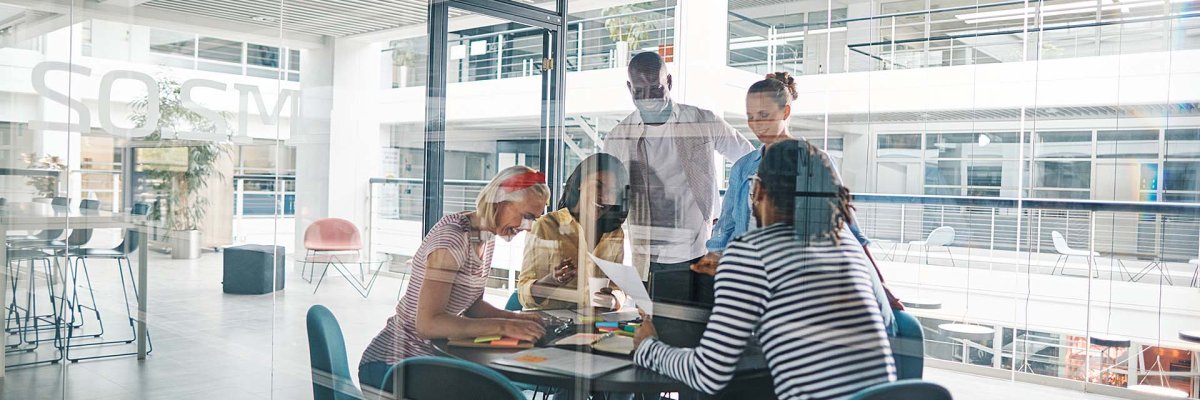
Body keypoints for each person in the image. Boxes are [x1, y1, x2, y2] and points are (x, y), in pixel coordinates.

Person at [633, 139, 896, 400]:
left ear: (758, 190)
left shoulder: (752, 251)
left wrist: (648, 346)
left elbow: (708, 374)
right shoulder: (845, 243)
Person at [692, 72, 898, 332]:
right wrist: (710, 269)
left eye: (764, 115)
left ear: (785, 111)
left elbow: (851, 232)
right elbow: (726, 228)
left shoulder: (814, 161)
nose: (756, 124)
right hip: (750, 280)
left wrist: (881, 285)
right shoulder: (744, 166)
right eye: (751, 117)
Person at [358, 165, 551, 389]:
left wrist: (515, 319)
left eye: (533, 220)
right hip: (395, 365)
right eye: (526, 216)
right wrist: (502, 326)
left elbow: (473, 305)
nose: (527, 227)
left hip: (430, 363)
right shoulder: (452, 239)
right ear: (499, 201)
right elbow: (428, 324)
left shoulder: (485, 236)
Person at [603, 51, 753, 291]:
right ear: (628, 87)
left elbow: (749, 162)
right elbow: (607, 197)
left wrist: (728, 219)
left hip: (701, 250)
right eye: (639, 91)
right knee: (654, 326)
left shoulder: (702, 121)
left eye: (656, 88)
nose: (648, 98)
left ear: (669, 82)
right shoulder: (618, 137)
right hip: (648, 257)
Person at [517, 153, 630, 310]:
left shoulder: (614, 234)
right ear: (580, 183)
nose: (604, 196)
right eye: (597, 185)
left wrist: (613, 300)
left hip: (591, 325)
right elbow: (523, 294)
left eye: (612, 191)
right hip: (548, 323)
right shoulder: (546, 226)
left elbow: (618, 288)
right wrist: (552, 281)